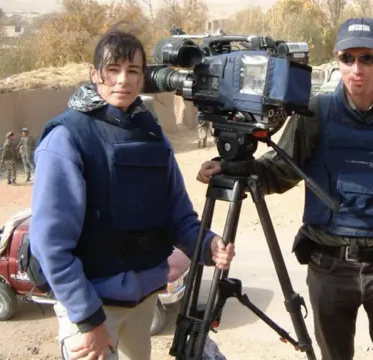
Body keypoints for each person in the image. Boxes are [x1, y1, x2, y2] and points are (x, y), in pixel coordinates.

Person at [197, 17, 373, 360]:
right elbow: (280, 170)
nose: (357, 68)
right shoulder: (317, 113)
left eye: (367, 58)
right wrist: (237, 169)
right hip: (329, 267)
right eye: (347, 58)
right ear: (337, 59)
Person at [29, 29, 236, 360]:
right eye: (113, 70)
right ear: (94, 73)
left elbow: (178, 217)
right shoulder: (67, 138)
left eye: (133, 71)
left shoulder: (152, 135)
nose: (122, 80)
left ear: (143, 78)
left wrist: (208, 245)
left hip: (143, 302)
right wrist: (88, 319)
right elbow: (49, 245)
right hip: (93, 305)